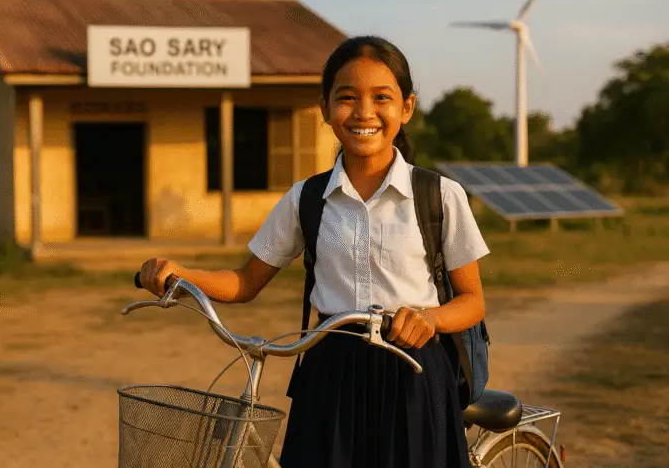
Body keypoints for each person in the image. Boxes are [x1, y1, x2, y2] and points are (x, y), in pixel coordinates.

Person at [138, 35, 490, 468]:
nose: (364, 113)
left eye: (382, 97)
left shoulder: (439, 195)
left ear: (407, 107)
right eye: (347, 98)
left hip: (412, 371)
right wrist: (181, 272)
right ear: (324, 108)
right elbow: (246, 282)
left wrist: (429, 319)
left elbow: (472, 301)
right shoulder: (306, 198)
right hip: (330, 372)